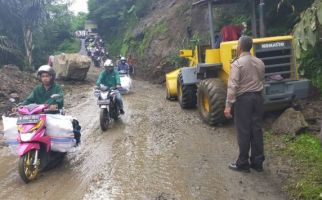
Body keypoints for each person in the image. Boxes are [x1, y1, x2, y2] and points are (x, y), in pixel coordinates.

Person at [224, 36, 265, 172]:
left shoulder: (237, 64)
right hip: (258, 99)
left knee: (243, 131)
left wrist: (228, 105)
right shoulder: (259, 62)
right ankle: (257, 162)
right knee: (257, 130)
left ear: (240, 47)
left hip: (244, 100)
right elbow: (261, 79)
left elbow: (233, 86)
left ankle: (242, 163)